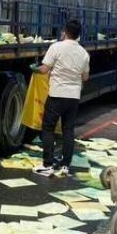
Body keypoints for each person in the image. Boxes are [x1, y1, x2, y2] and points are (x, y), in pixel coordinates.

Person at [32, 20, 91, 177]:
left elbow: (44, 69)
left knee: (48, 128)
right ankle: (65, 166)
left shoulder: (56, 47)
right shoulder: (84, 53)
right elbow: (85, 77)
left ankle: (48, 164)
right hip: (73, 97)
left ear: (65, 31)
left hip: (57, 95)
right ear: (79, 35)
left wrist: (34, 69)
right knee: (68, 130)